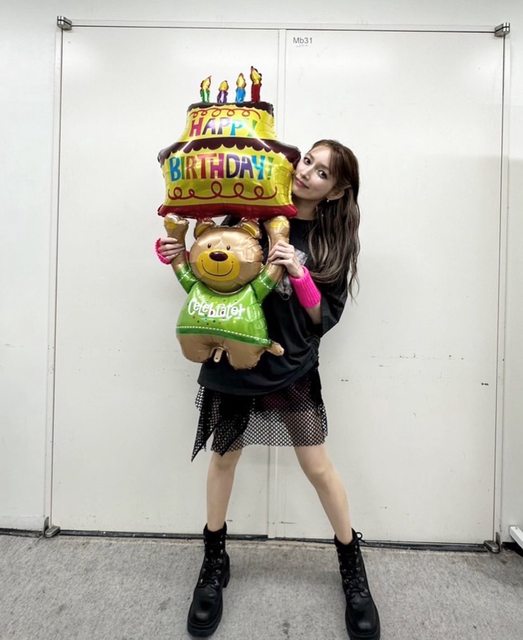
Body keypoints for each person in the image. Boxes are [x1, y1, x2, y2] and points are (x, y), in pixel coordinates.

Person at [157, 139, 380, 640]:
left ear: (336, 191)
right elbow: (212, 271)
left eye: (322, 173)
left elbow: (321, 317)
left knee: (317, 467)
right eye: (308, 161)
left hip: (291, 365)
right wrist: (174, 253)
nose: (307, 173)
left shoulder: (331, 241)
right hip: (233, 359)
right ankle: (214, 560)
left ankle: (351, 563)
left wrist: (298, 271)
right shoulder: (250, 212)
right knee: (223, 459)